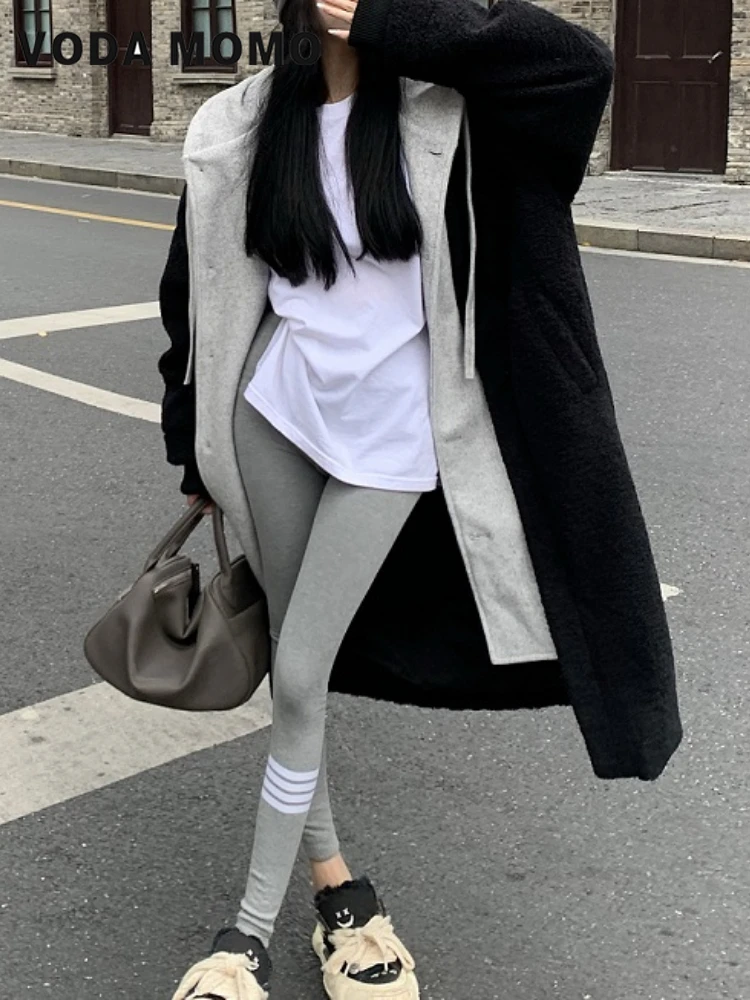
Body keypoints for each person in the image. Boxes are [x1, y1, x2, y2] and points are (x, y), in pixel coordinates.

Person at [157, 1, 683, 998]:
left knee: (300, 671)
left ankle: (242, 942)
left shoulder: (451, 108)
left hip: (392, 440)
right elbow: (194, 292)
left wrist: (404, 24)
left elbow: (578, 66)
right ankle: (338, 895)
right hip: (275, 414)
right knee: (294, 666)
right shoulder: (243, 120)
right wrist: (191, 440)